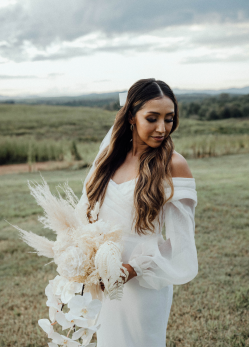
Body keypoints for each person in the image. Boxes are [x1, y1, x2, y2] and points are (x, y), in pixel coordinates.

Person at [77, 78, 198, 347]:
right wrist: (83, 258)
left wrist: (131, 269)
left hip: (144, 280)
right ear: (131, 116)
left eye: (169, 119)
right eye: (152, 118)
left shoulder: (174, 165)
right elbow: (86, 210)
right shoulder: (109, 157)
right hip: (102, 277)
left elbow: (182, 242)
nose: (162, 128)